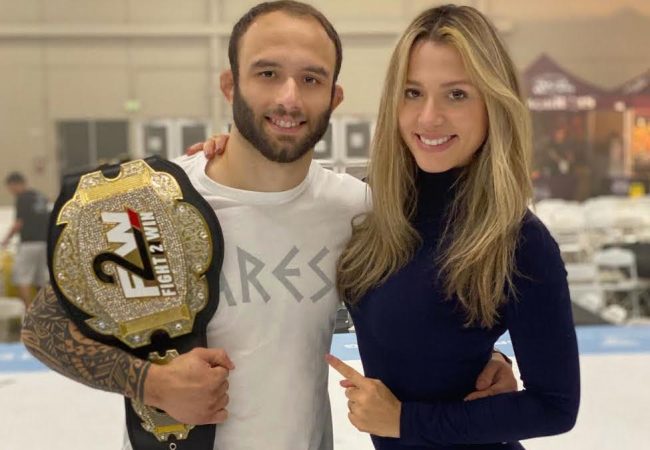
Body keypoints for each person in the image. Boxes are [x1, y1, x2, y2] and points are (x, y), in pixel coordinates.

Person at [21, 2, 517, 450]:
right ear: (230, 85)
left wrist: (493, 360)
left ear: (334, 98)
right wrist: (149, 382)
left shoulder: (358, 211)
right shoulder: (152, 208)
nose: (289, 98)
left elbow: (424, 309)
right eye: (267, 73)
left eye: (311, 79)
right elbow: (43, 327)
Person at [324, 5, 579, 450]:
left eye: (456, 94)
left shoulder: (518, 240)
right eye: (413, 92)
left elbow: (555, 406)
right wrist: (221, 160)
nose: (428, 118)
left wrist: (406, 421)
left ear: (493, 103)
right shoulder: (372, 208)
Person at [2, 172, 50, 307]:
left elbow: (18, 224)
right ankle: (43, 309)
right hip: (44, 243)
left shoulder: (22, 198)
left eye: (10, 188)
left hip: (29, 244)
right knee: (41, 279)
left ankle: (29, 311)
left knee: (21, 278)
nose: (11, 191)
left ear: (15, 184)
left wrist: (6, 240)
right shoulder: (40, 196)